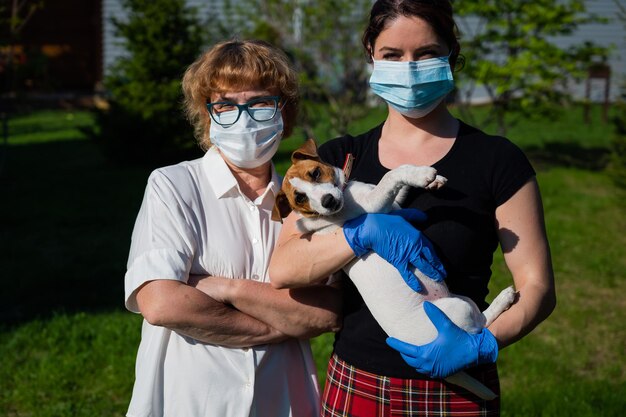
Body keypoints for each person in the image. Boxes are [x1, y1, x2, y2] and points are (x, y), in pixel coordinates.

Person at [269, 0, 556, 415]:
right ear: (371, 54)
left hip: (458, 390)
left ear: (451, 55)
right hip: (358, 383)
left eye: (426, 54)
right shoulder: (337, 162)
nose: (409, 67)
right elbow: (285, 267)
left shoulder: (496, 160)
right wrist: (358, 233)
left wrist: (484, 343)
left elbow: (538, 288)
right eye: (392, 55)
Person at [123, 39, 342, 417]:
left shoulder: (310, 201)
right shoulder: (174, 186)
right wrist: (287, 321)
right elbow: (160, 303)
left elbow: (329, 312)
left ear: (284, 114)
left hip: (282, 400)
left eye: (259, 102)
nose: (243, 118)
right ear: (207, 116)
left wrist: (227, 288)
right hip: (189, 400)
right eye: (225, 105)